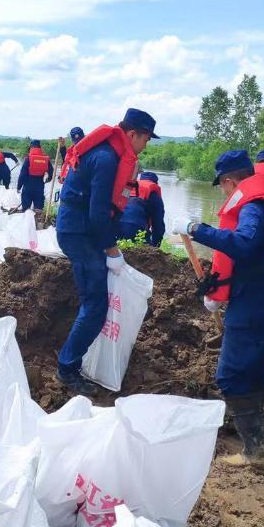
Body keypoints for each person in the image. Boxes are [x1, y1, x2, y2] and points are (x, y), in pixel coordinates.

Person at [172, 149, 264, 468]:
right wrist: (217, 291)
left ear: (230, 182)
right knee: (253, 369)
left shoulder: (252, 208)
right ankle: (257, 432)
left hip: (253, 310)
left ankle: (255, 451)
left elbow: (243, 245)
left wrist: (196, 229)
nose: (223, 191)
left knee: (231, 375)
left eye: (221, 185)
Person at [55, 108, 158, 395]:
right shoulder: (106, 158)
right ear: (132, 134)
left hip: (81, 231)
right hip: (78, 233)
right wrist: (112, 251)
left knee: (93, 301)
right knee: (96, 305)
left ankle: (71, 360)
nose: (145, 146)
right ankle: (67, 367)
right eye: (145, 139)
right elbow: (98, 213)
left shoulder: (109, 152)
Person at [117, 171, 166, 247]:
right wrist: (155, 247)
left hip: (115, 227)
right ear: (156, 183)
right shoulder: (154, 196)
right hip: (137, 229)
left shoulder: (129, 189)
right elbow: (158, 226)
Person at [18, 140, 53, 211]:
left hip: (27, 188)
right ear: (40, 147)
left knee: (26, 211)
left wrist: (18, 187)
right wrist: (49, 179)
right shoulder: (45, 159)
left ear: (31, 147)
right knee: (38, 211)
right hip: (39, 187)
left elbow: (22, 175)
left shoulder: (28, 158)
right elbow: (51, 171)